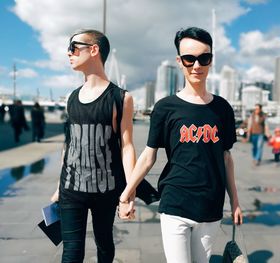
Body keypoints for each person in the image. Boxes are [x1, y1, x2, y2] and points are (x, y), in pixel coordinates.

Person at [118, 27, 243, 263]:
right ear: (179, 61)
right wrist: (127, 194)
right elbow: (148, 156)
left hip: (211, 206)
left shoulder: (223, 109)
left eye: (203, 58)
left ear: (211, 60)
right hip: (175, 201)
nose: (197, 65)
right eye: (189, 58)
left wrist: (235, 201)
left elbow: (226, 158)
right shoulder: (166, 108)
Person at [50, 29, 136, 263]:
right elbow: (69, 144)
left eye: (74, 47)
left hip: (106, 190)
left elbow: (127, 147)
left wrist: (128, 194)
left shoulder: (121, 98)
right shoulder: (71, 97)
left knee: (104, 245)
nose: (69, 53)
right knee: (71, 253)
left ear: (94, 50)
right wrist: (59, 186)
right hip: (71, 189)